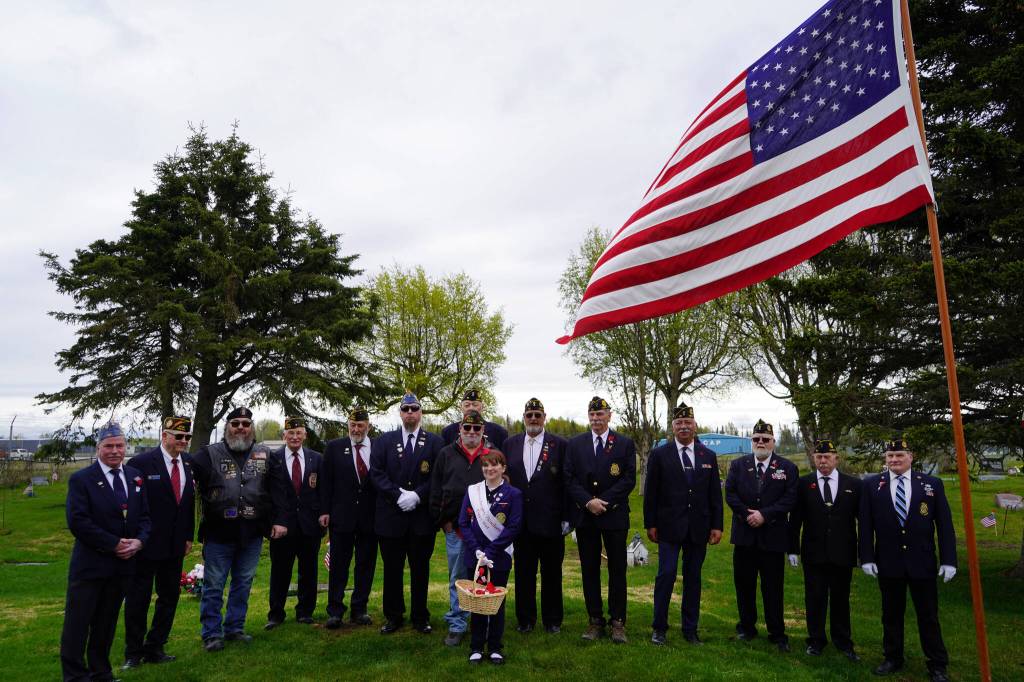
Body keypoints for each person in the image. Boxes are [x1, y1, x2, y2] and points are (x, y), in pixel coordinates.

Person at [859, 438, 957, 682]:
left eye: (899, 455)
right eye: (890, 456)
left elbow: (944, 526)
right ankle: (893, 658)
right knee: (891, 614)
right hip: (888, 562)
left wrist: (949, 560)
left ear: (910, 457)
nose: (894, 459)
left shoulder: (931, 484)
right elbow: (865, 525)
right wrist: (867, 558)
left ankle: (937, 664)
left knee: (928, 616)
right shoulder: (872, 485)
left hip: (921, 562)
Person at [60, 421, 151, 682]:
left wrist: (139, 542)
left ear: (126, 447)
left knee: (106, 623)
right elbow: (78, 521)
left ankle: (101, 672)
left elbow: (145, 517)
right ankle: (76, 676)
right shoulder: (82, 479)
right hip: (91, 565)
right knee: (78, 625)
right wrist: (113, 543)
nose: (115, 451)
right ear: (99, 448)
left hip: (122, 566)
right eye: (109, 446)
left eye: (119, 445)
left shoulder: (134, 476)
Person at [191, 407, 281, 651]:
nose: (241, 427)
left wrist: (276, 520)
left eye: (245, 423)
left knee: (243, 583)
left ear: (251, 427)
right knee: (214, 585)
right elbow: (184, 476)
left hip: (251, 534)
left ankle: (234, 629)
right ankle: (211, 633)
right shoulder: (207, 454)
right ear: (227, 427)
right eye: (235, 423)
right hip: (219, 534)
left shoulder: (265, 454)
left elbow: (276, 491)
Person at [643, 402, 723, 646]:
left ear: (695, 425)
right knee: (665, 575)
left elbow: (714, 496)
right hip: (668, 527)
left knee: (693, 579)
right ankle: (659, 628)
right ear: (673, 427)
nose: (684, 427)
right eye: (679, 423)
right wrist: (650, 524)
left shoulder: (707, 456)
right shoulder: (659, 454)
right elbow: (651, 493)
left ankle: (690, 629)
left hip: (698, 527)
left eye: (688, 422)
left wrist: (717, 525)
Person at [122, 416, 196, 669]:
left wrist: (188, 536)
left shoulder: (187, 462)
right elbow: (134, 507)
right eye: (179, 437)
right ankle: (133, 652)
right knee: (138, 598)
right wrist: (136, 538)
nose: (183, 441)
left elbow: (188, 503)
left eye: (187, 437)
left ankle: (156, 647)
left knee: (169, 597)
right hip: (146, 544)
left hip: (175, 545)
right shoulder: (141, 463)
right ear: (164, 436)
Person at [370, 392, 443, 635]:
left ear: (421, 412)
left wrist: (418, 496)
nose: (410, 413)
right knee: (392, 571)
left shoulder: (434, 442)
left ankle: (420, 617)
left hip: (421, 520)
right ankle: (393, 616)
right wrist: (398, 495)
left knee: (420, 570)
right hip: (391, 517)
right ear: (400, 413)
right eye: (406, 409)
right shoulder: (383, 441)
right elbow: (377, 473)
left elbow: (438, 477)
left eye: (414, 408)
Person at [564, 396, 636, 643]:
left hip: (614, 515)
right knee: (589, 569)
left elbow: (628, 479)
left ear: (609, 415)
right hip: (586, 517)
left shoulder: (624, 443)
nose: (596, 419)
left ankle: (618, 622)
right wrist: (588, 502)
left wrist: (603, 501)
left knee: (617, 569)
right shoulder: (576, 444)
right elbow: (569, 478)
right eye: (592, 415)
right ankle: (595, 620)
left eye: (600, 414)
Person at [724, 419, 798, 652]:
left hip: (772, 537)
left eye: (765, 439)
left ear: (773, 442)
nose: (761, 443)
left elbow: (790, 498)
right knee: (744, 586)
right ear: (751, 441)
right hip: (745, 536)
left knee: (773, 587)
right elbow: (730, 493)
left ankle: (777, 633)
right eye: (756, 439)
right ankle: (746, 628)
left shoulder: (787, 468)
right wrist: (747, 514)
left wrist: (765, 515)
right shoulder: (738, 465)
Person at [787, 438, 861, 660]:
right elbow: (795, 519)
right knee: (815, 598)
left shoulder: (853, 485)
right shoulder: (803, 484)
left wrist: (864, 553)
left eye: (827, 457)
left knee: (841, 598)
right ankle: (816, 640)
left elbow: (863, 521)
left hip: (843, 552)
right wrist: (793, 549)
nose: (823, 461)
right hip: (814, 552)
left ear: (836, 459)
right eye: (819, 457)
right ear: (814, 459)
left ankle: (843, 641)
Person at [504, 397, 569, 634]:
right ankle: (525, 619)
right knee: (524, 573)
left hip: (551, 521)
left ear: (544, 418)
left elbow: (567, 482)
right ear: (524, 418)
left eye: (537, 415)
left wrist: (567, 517)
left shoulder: (559, 445)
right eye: (529, 415)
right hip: (521, 522)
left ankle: (552, 621)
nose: (533, 419)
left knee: (552, 573)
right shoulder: (510, 444)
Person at [430, 410, 492, 646]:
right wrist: (442, 521)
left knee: (483, 578)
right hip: (455, 529)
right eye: (467, 428)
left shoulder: (491, 456)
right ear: (460, 430)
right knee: (458, 578)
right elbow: (436, 490)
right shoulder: (446, 454)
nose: (472, 433)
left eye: (477, 429)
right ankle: (457, 623)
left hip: (485, 532)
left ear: (483, 431)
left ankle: (483, 622)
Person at [458, 450, 523, 665]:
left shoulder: (513, 494)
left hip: (499, 556)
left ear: (503, 468)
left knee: (496, 602)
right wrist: (477, 550)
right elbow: (463, 523)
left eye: (494, 465)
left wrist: (491, 552)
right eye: (485, 465)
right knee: (477, 601)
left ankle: (495, 647)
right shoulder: (473, 491)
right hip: (474, 556)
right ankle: (476, 646)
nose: (489, 469)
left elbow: (514, 526)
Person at [320, 406, 378, 628]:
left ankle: (359, 609)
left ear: (368, 427)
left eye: (360, 425)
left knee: (365, 565)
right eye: (352, 425)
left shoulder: (377, 448)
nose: (356, 429)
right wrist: (324, 511)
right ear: (348, 426)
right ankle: (335, 611)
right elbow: (326, 482)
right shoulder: (334, 448)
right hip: (341, 517)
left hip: (369, 518)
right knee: (338, 566)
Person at [266, 416, 324, 629]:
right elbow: (269, 494)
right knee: (280, 572)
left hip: (310, 525)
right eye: (290, 433)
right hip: (283, 527)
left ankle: (305, 612)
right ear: (284, 436)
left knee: (309, 571)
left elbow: (322, 490)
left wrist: (323, 514)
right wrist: (274, 522)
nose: (295, 437)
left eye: (299, 433)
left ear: (305, 435)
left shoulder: (316, 459)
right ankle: (276, 614)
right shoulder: (274, 459)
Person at [440, 388, 508, 449]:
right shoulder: (448, 432)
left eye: (475, 405)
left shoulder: (499, 432)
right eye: (467, 405)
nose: (471, 408)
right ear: (460, 407)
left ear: (482, 407)